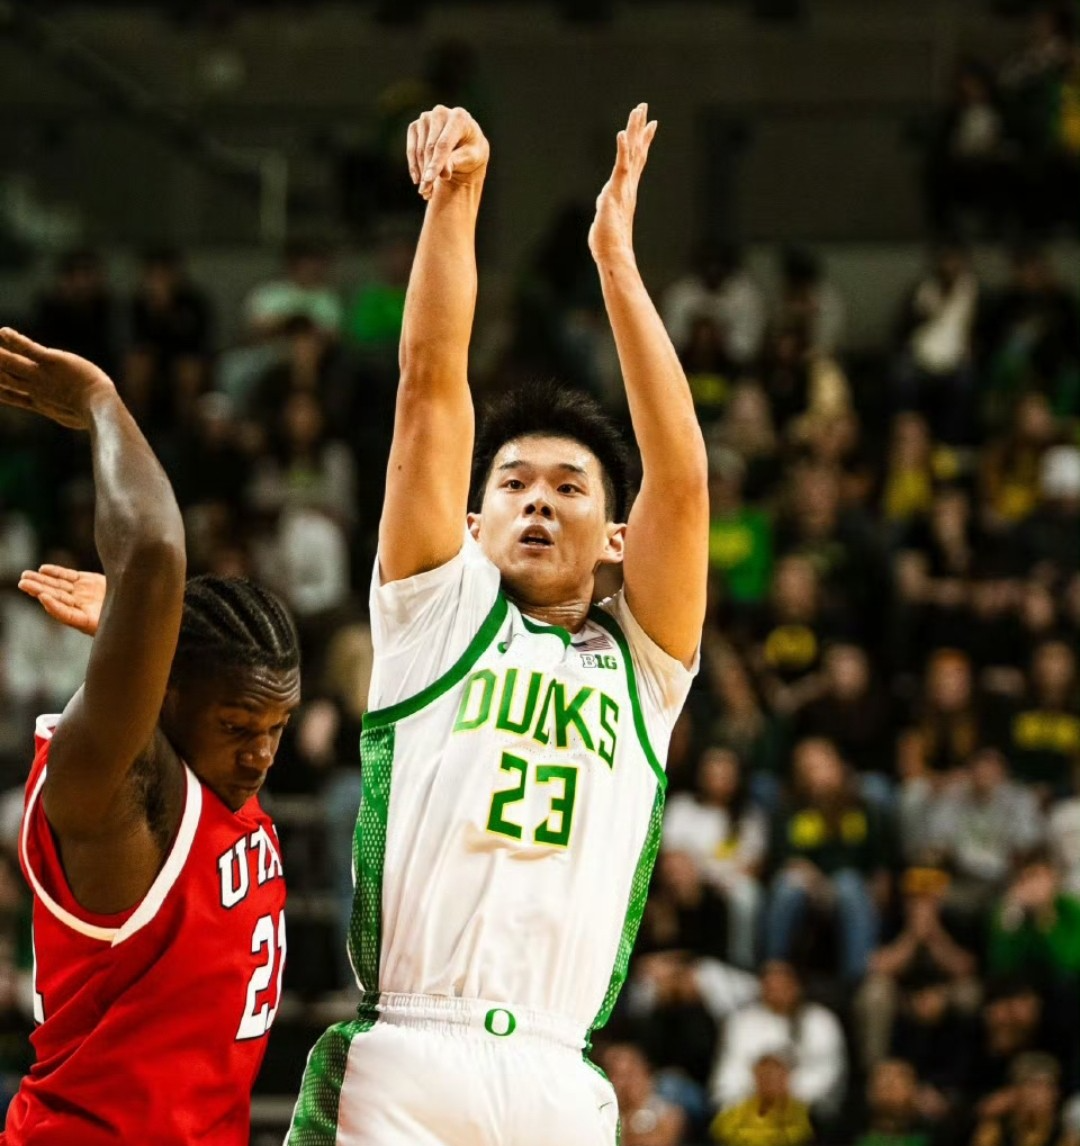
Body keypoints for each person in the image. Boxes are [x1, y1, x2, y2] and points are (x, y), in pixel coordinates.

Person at [287, 103, 708, 1145]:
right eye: (513, 483)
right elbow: (431, 387)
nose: (537, 502)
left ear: (616, 537)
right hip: (407, 1054)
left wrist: (616, 265)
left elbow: (683, 480)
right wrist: (457, 199)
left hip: (560, 1074)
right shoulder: (436, 611)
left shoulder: (643, 669)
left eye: (569, 487)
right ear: (473, 525)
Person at [0, 330, 301, 1145]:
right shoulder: (113, 791)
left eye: (277, 727)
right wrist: (101, 400)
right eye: (238, 727)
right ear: (166, 697)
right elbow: (156, 552)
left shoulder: (217, 783)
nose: (261, 752)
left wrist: (149, 636)